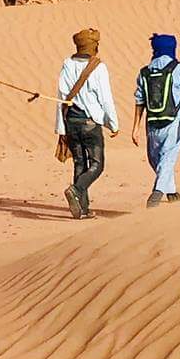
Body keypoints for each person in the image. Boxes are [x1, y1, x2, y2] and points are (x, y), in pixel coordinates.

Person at [131, 33, 180, 207]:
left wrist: (135, 128)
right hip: (174, 122)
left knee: (157, 159)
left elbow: (139, 100)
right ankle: (158, 193)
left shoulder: (144, 72)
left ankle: (171, 192)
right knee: (167, 157)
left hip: (152, 123)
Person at [56, 28, 119, 219]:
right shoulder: (99, 67)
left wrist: (61, 126)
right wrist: (113, 124)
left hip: (71, 121)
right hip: (90, 123)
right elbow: (106, 99)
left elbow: (62, 96)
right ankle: (76, 190)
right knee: (97, 164)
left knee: (79, 163)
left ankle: (81, 209)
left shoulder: (67, 64)